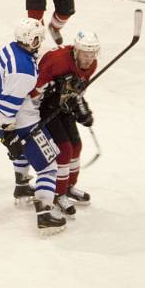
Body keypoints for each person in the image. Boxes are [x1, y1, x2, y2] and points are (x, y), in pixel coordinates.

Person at [0, 18, 66, 234]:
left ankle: (22, 188)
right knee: (49, 166)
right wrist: (10, 135)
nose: (39, 42)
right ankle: (45, 215)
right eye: (37, 38)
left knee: (21, 152)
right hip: (18, 123)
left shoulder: (10, 50)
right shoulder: (23, 71)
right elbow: (8, 107)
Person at [33, 30, 99, 217]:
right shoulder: (57, 60)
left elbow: (77, 91)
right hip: (46, 108)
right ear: (77, 51)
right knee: (65, 150)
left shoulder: (92, 65)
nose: (89, 58)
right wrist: (53, 93)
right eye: (86, 54)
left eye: (93, 54)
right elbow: (34, 89)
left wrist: (82, 109)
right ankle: (57, 193)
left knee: (76, 147)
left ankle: (69, 186)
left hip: (64, 107)